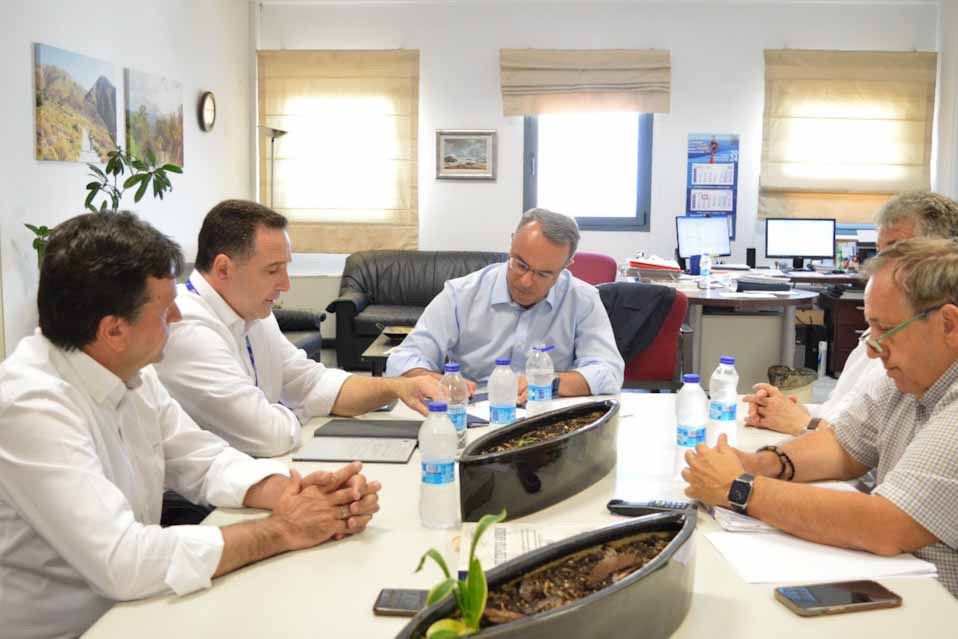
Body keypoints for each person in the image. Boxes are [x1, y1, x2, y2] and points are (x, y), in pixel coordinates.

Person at [0, 212, 381, 638]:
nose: (178, 316)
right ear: (114, 330)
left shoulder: (132, 373)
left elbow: (202, 459)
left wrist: (303, 494)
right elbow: (123, 561)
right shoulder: (29, 406)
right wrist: (283, 529)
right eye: (166, 309)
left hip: (135, 611)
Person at [684, 238, 958, 597]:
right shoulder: (911, 375)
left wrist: (739, 487)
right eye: (870, 329)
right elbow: (843, 446)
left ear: (948, 324)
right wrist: (755, 464)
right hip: (901, 585)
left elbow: (887, 524)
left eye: (885, 330)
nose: (873, 351)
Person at [155, 200, 442, 457]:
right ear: (223, 269)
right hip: (201, 493)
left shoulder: (255, 315)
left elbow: (312, 383)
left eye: (286, 268)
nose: (286, 284)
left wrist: (398, 387)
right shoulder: (184, 325)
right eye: (272, 270)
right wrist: (297, 410)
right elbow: (267, 436)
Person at [745, 191, 958, 434]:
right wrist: (789, 410)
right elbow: (842, 412)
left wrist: (802, 423)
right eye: (880, 252)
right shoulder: (876, 337)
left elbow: (863, 448)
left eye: (896, 252)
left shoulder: (921, 358)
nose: (880, 266)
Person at [385, 208, 624, 401]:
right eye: (520, 264)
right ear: (511, 243)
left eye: (543, 274)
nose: (526, 281)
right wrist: (440, 382)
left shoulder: (583, 299)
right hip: (474, 408)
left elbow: (609, 371)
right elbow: (404, 358)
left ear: (565, 266)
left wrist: (550, 381)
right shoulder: (460, 294)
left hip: (546, 410)